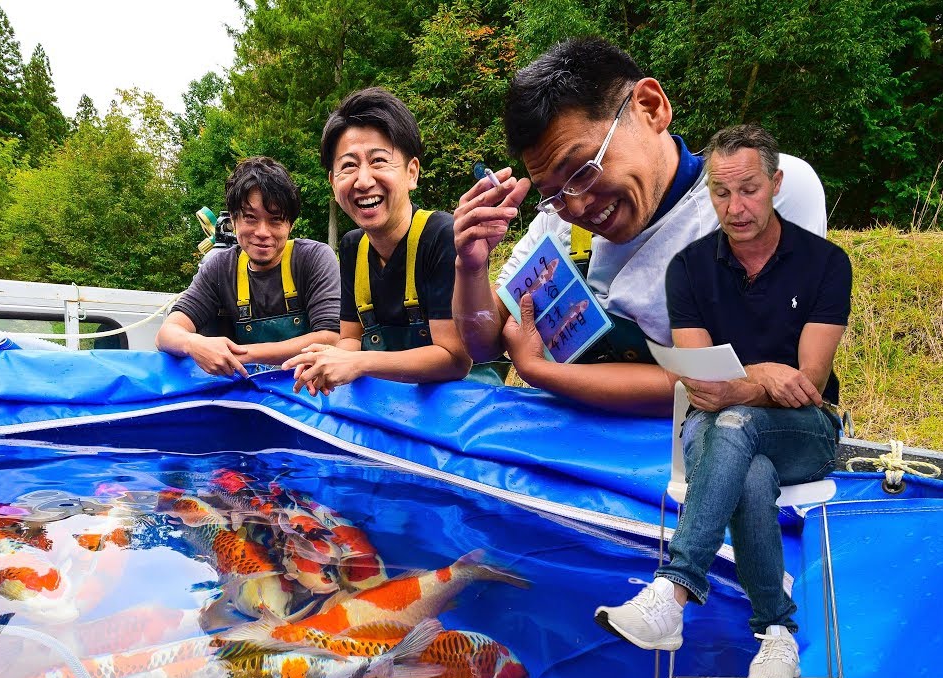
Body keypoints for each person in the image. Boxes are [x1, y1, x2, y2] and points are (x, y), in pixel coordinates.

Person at [594, 125, 852, 678]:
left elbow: (807, 383)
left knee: (736, 423)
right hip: (717, 429)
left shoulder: (826, 265)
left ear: (776, 184)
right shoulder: (687, 268)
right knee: (748, 468)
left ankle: (673, 590)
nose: (735, 208)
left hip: (803, 431)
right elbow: (701, 378)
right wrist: (759, 378)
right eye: (720, 193)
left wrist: (741, 385)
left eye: (750, 190)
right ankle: (777, 633)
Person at [452, 37, 827, 416]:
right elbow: (484, 343)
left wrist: (540, 371)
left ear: (651, 107)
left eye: (583, 170)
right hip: (585, 452)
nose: (577, 206)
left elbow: (768, 378)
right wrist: (470, 266)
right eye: (555, 193)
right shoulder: (558, 222)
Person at [282, 87, 472, 394]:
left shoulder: (441, 235)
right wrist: (326, 359)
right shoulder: (352, 246)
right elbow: (350, 339)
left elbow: (453, 359)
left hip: (454, 410)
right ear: (333, 182)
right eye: (348, 166)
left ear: (412, 172)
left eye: (379, 161)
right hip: (390, 402)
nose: (364, 180)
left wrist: (358, 363)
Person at [156, 157, 340, 376]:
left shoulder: (313, 258)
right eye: (250, 218)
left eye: (275, 220)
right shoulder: (219, 267)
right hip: (248, 392)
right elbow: (166, 333)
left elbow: (331, 338)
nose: (262, 232)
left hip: (310, 390)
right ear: (233, 221)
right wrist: (193, 343)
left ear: (290, 224)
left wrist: (240, 355)